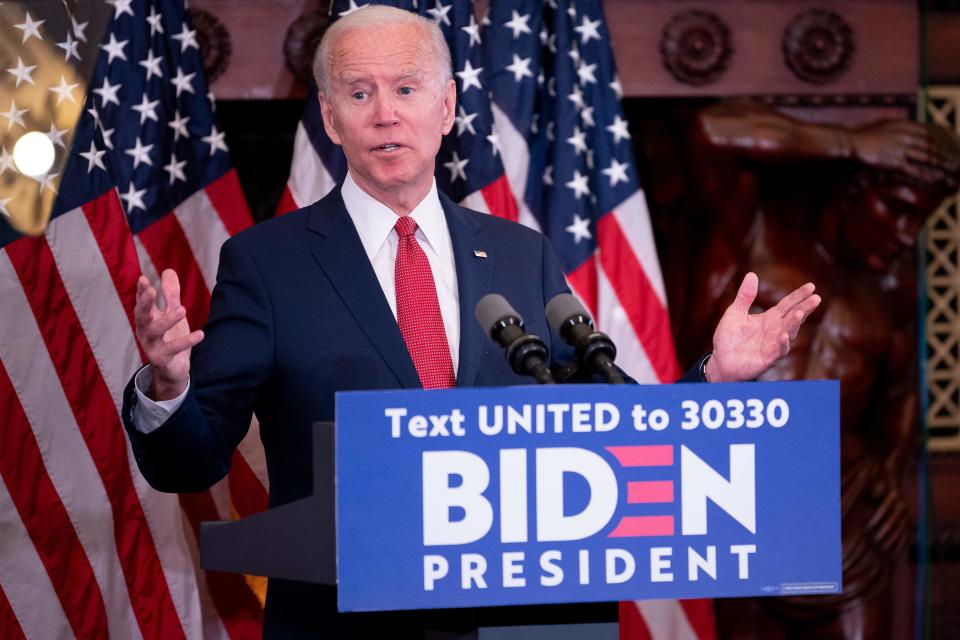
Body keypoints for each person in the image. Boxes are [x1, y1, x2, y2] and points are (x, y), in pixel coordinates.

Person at [121, 8, 821, 638]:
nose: (385, 115)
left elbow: (614, 428)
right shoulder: (267, 263)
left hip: (519, 622)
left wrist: (715, 378)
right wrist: (168, 384)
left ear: (447, 105)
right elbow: (193, 460)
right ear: (331, 119)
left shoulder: (520, 254)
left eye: (406, 89)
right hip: (344, 621)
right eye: (359, 94)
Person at [649, 100, 960, 639]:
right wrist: (852, 142)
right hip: (732, 488)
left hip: (843, 506)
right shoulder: (752, 233)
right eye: (898, 209)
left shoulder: (893, 286)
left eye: (922, 219)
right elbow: (709, 129)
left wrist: (889, 464)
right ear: (853, 188)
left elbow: (900, 392)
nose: (910, 236)